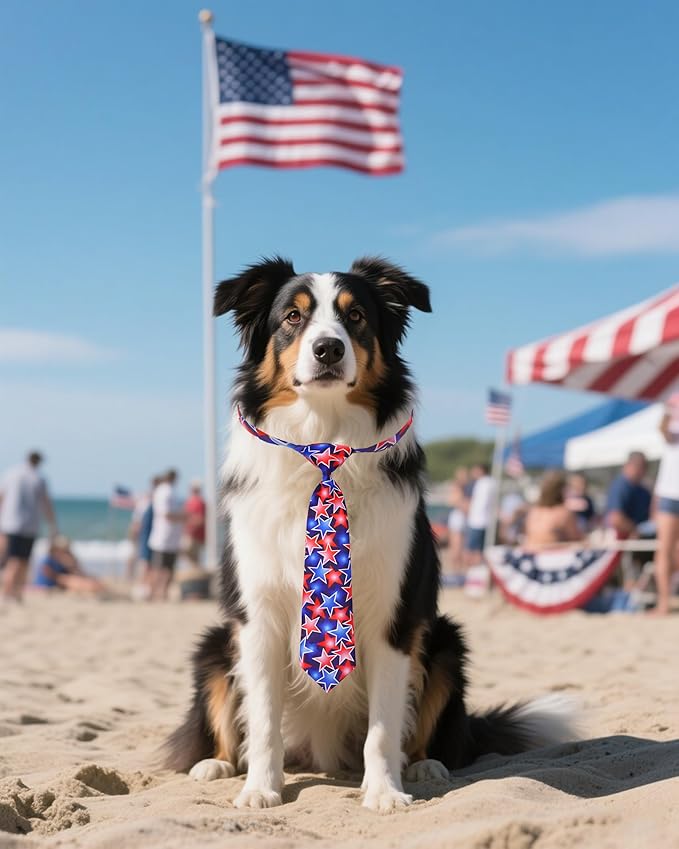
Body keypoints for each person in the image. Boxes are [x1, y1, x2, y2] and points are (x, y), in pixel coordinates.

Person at [0, 451, 57, 602]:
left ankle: (12, 593)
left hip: (9, 523)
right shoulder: (38, 478)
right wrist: (52, 525)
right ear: (39, 462)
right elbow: (46, 503)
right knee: (20, 560)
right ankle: (12, 593)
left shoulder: (11, 474)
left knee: (14, 560)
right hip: (28, 526)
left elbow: (2, 497)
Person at [651, 395, 679, 615]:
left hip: (668, 494)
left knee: (669, 552)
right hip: (669, 493)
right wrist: (668, 409)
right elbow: (663, 430)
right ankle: (663, 603)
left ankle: (665, 602)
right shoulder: (671, 425)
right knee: (665, 550)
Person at [148, 469, 185, 601]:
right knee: (160, 568)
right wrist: (184, 517)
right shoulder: (166, 492)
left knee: (165, 568)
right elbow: (166, 514)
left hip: (168, 537)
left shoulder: (165, 491)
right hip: (163, 537)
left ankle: (161, 593)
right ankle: (156, 593)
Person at [524, 471, 583, 549]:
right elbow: (576, 537)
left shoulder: (534, 511)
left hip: (531, 553)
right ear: (561, 490)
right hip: (551, 555)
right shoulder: (563, 512)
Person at [34, 536, 105, 595]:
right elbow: (54, 576)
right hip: (49, 585)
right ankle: (94, 587)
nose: (65, 551)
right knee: (73, 581)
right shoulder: (48, 560)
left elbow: (77, 572)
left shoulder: (62, 560)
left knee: (85, 579)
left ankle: (96, 586)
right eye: (63, 549)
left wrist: (72, 563)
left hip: (59, 583)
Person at [605, 452, 652, 538]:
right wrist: (635, 530)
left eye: (644, 467)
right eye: (638, 466)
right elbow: (615, 519)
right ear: (628, 465)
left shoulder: (643, 490)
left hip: (641, 539)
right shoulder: (621, 486)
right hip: (623, 541)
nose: (642, 471)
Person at [464, 463, 497, 562]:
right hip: (486, 520)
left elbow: (478, 503)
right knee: (481, 549)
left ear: (481, 470)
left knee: (471, 549)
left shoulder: (482, 483)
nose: (473, 472)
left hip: (477, 521)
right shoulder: (492, 482)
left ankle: (470, 570)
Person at [182, 480, 206, 569]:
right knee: (189, 556)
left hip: (196, 536)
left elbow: (200, 519)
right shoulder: (190, 502)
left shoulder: (199, 503)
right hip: (191, 535)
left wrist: (189, 524)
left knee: (192, 555)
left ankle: (196, 573)